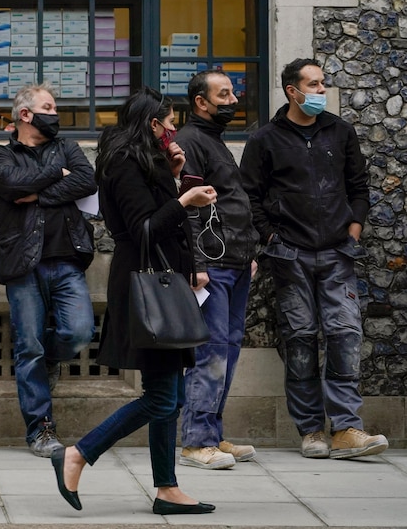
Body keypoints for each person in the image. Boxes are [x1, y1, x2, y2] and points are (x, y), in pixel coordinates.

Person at [50, 87, 217, 515]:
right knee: (161, 397)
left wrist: (176, 178)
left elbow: (159, 220)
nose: (175, 128)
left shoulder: (148, 162)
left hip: (166, 283)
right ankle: (78, 453)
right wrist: (183, 199)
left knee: (171, 393)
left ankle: (167, 488)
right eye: (170, 121)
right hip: (147, 287)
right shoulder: (123, 164)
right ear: (151, 124)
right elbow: (142, 230)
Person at [240, 58, 388, 459]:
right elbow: (249, 196)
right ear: (293, 91)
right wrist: (271, 237)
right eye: (315, 84)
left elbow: (358, 186)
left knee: (344, 336)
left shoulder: (340, 132)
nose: (322, 90)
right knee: (300, 340)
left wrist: (353, 229)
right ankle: (311, 431)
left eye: (323, 83)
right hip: (289, 256)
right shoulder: (264, 140)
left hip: (338, 253)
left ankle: (345, 429)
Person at [0, 82, 97, 458]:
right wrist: (57, 176)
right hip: (23, 263)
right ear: (26, 115)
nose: (56, 113)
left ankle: (54, 357)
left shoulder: (67, 147)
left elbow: (86, 179)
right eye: (48, 107)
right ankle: (41, 430)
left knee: (79, 333)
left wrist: (39, 193)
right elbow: (13, 185)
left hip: (67, 260)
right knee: (27, 347)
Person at [175, 70, 260, 470]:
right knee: (210, 352)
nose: (232, 101)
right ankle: (196, 441)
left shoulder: (214, 141)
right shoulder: (191, 141)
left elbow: (228, 204)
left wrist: (249, 253)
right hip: (212, 265)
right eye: (223, 94)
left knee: (227, 350)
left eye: (233, 93)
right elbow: (189, 207)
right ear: (201, 103)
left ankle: (214, 434)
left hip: (236, 262)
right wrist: (197, 264)